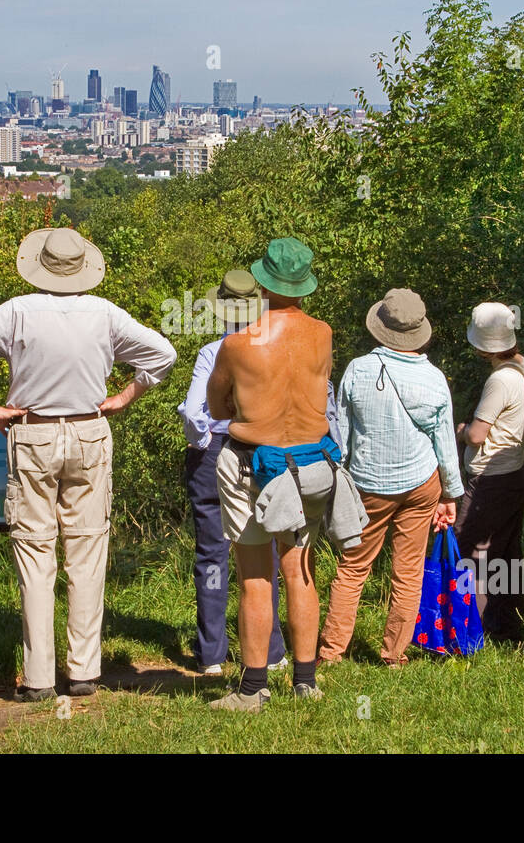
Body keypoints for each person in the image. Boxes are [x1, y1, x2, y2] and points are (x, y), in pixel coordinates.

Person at [0, 227, 177, 700]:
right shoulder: (105, 314)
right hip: (90, 431)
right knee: (87, 552)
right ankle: (83, 672)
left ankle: (36, 678)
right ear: (82, 269)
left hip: (33, 432)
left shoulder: (16, 311)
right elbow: (163, 354)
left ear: (39, 266)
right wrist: (126, 396)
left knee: (35, 552)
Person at [205, 237, 334, 710]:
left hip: (249, 462)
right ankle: (305, 681)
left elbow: (216, 406)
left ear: (261, 283)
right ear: (304, 285)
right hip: (309, 464)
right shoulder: (323, 333)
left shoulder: (239, 344)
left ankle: (253, 689)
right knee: (300, 569)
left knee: (256, 578)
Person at [319, 288, 464, 667]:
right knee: (408, 570)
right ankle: (393, 655)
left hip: (369, 484)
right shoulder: (433, 379)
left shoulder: (358, 369)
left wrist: (341, 478)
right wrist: (450, 494)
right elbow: (444, 443)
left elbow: (343, 433)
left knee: (352, 568)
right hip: (421, 483)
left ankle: (330, 652)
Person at [177, 269, 289, 675]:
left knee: (212, 554)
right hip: (263, 450)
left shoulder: (213, 351)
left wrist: (204, 442)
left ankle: (211, 655)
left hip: (216, 453)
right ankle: (272, 651)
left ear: (222, 309)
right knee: (264, 550)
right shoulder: (276, 347)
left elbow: (193, 411)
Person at [454, 302, 524, 643]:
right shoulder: (523, 366)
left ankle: (473, 629)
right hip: (515, 472)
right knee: (507, 550)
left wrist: (459, 431)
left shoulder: (500, 379)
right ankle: (509, 625)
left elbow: (477, 435)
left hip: (490, 477)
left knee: (470, 550)